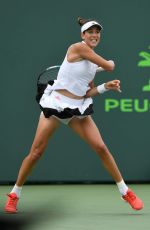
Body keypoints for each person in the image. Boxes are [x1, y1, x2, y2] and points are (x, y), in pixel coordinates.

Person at [4, 17, 143, 213]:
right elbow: (110, 66)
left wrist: (105, 87)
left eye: (97, 32)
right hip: (56, 106)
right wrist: (109, 63)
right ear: (83, 35)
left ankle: (125, 191)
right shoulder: (77, 48)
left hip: (76, 109)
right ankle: (14, 195)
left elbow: (88, 92)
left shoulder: (91, 65)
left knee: (101, 147)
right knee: (36, 153)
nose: (94, 35)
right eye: (90, 32)